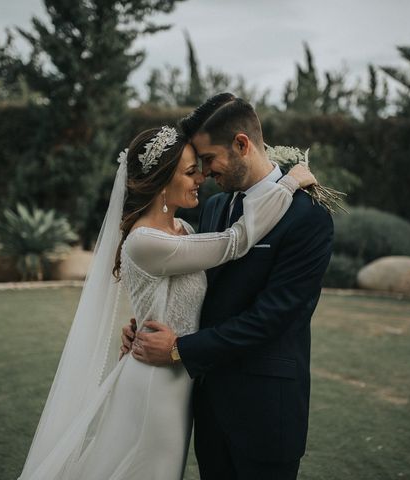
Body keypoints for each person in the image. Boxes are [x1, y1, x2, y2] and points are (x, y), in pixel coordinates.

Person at [16, 122, 316, 480]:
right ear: (161, 182)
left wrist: (141, 324)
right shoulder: (145, 241)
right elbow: (235, 241)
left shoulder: (185, 231)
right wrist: (288, 185)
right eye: (190, 172)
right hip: (154, 386)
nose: (201, 178)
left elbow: (191, 297)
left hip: (180, 383)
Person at [121, 93, 334, 479]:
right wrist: (147, 325)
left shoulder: (308, 216)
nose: (203, 173)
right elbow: (196, 286)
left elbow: (272, 318)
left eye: (207, 160)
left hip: (266, 411)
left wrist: (178, 349)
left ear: (241, 145)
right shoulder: (215, 208)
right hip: (207, 406)